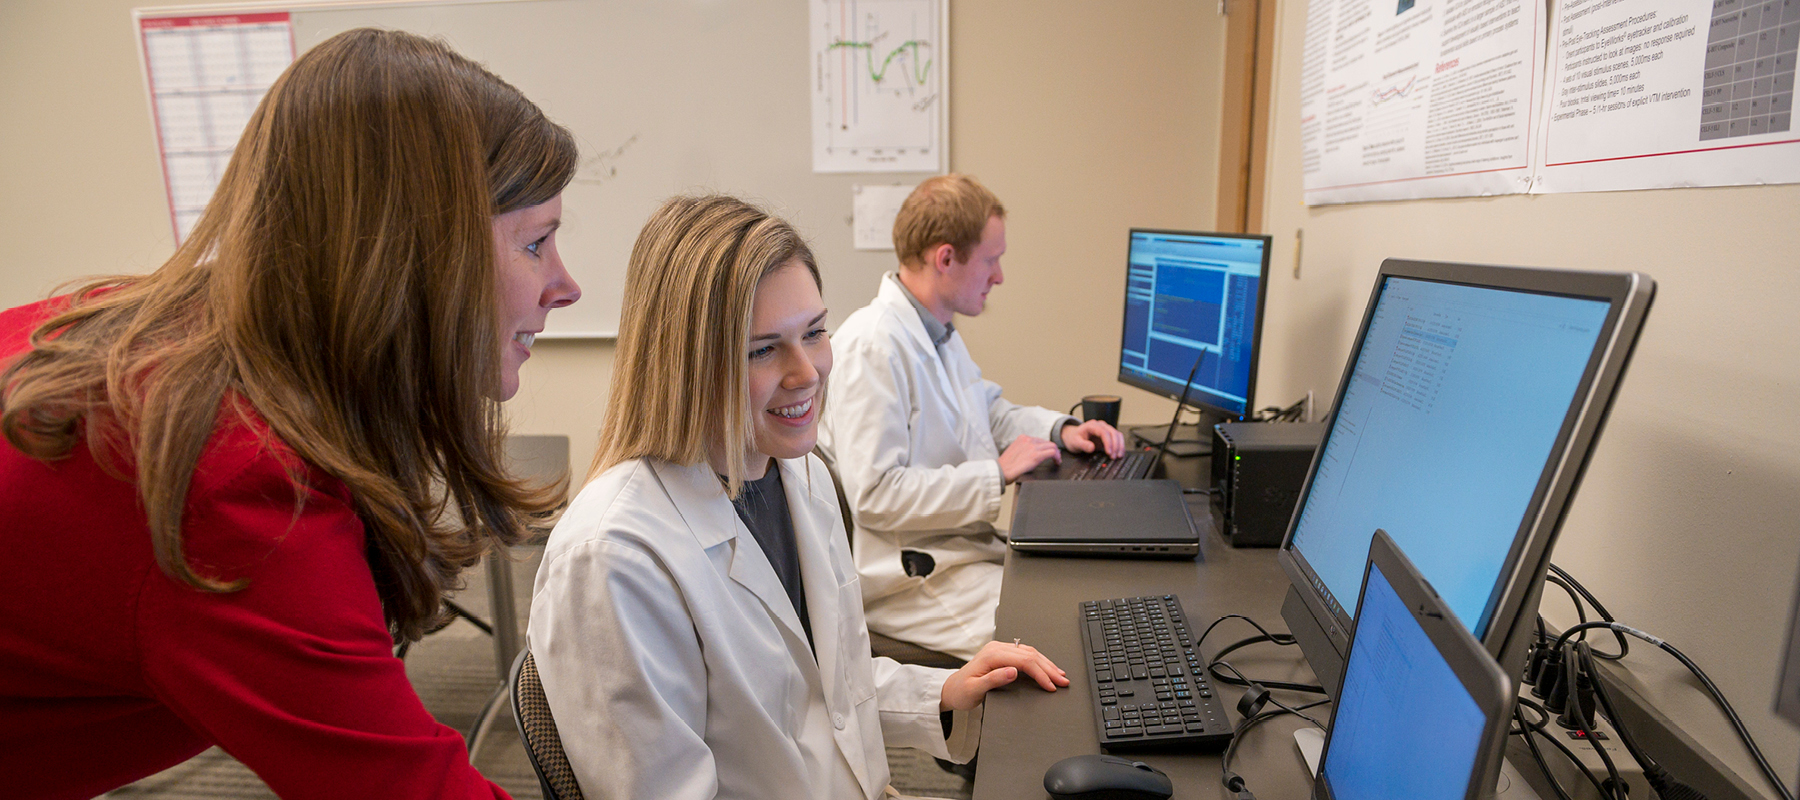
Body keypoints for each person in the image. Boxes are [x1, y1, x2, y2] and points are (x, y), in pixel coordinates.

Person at [0, 29, 580, 799]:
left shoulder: (119, 327)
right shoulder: (234, 490)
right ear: (419, 256)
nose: (566, 286)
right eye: (536, 243)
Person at [528, 195, 1068, 799]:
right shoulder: (614, 558)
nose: (807, 371)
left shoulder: (798, 474)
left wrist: (944, 692)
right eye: (764, 349)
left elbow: (817, 692)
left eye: (814, 333)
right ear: (685, 363)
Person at [817, 174, 1125, 661]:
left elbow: (985, 409)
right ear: (946, 258)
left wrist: (1059, 429)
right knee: (1062, 643)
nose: (999, 276)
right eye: (991, 259)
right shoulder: (872, 346)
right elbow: (874, 496)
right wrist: (997, 474)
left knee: (1082, 597)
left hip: (958, 551)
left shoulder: (936, 330)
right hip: (914, 578)